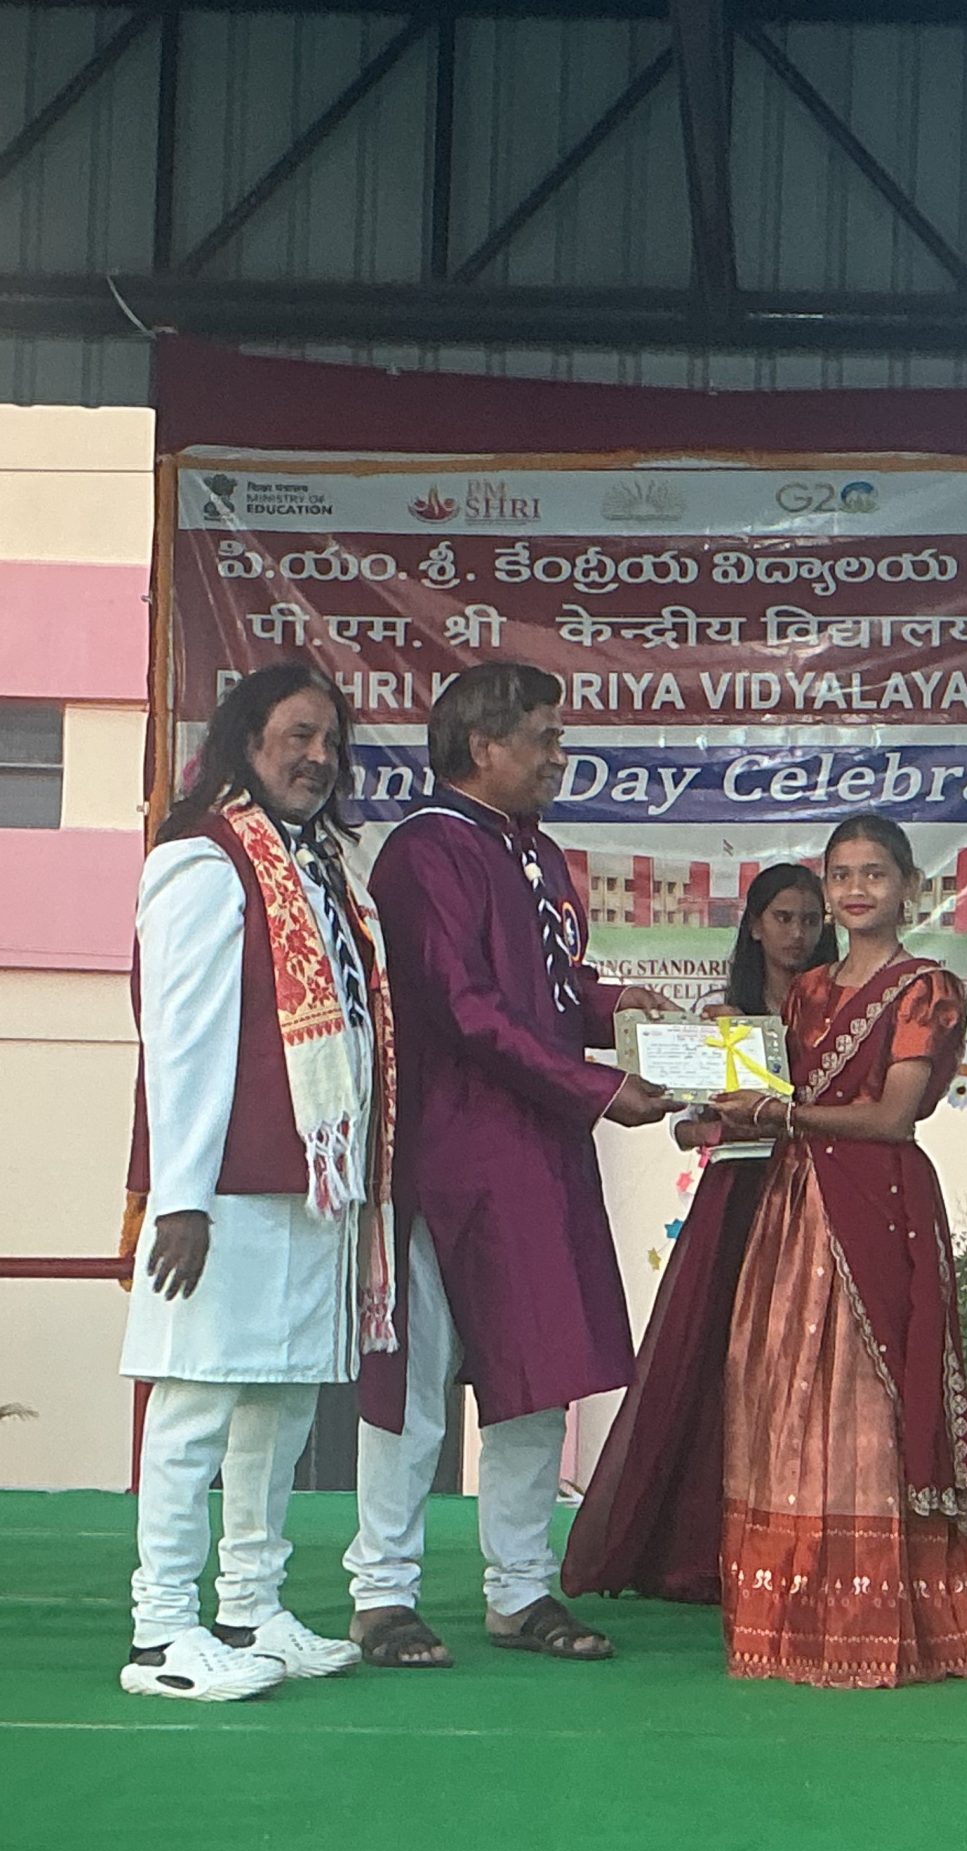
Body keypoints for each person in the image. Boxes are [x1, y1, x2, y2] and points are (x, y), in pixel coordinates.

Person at [347, 662, 677, 1668]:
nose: (559, 757)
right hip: (447, 1155)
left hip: (537, 1150)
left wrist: (616, 1011)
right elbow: (464, 1008)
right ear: (484, 746)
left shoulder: (532, 851)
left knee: (541, 1372)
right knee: (415, 1382)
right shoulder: (425, 852)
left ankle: (521, 1588)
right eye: (544, 737)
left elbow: (550, 990)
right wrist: (595, 1089)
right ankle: (382, 1592)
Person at [119, 661, 391, 1700]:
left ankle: (250, 1607)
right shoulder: (204, 859)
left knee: (280, 1401)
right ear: (246, 740)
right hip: (223, 1187)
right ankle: (161, 1632)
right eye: (298, 736)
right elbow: (183, 1039)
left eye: (331, 741)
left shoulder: (318, 866)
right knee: (196, 1401)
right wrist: (180, 1196)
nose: (318, 758)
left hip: (310, 1181)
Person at [710, 814, 967, 1688]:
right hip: (794, 1209)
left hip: (879, 1204)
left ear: (909, 887)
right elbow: (761, 1092)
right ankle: (793, 1619)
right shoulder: (805, 992)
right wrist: (712, 1086)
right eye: (841, 874)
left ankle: (886, 1622)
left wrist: (784, 1116)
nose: (855, 890)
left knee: (873, 1401)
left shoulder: (926, 990)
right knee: (785, 1394)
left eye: (874, 874)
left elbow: (892, 1116)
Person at [561, 863, 837, 1604]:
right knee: (714, 1361)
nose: (797, 934)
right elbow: (688, 1127)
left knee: (809, 1365)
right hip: (739, 1196)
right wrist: (718, 1125)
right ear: (755, 927)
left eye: (810, 920)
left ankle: (805, 1541)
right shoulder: (725, 1019)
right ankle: (697, 1545)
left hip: (819, 1193)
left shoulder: (839, 1011)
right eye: (783, 918)